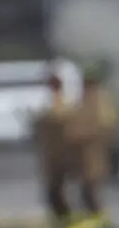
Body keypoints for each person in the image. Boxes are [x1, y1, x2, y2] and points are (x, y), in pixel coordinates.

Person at [38, 66, 111, 219]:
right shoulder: (54, 99)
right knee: (56, 190)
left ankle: (96, 219)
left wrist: (75, 132)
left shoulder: (95, 100)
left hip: (85, 153)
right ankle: (65, 219)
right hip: (58, 154)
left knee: (89, 189)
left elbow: (102, 124)